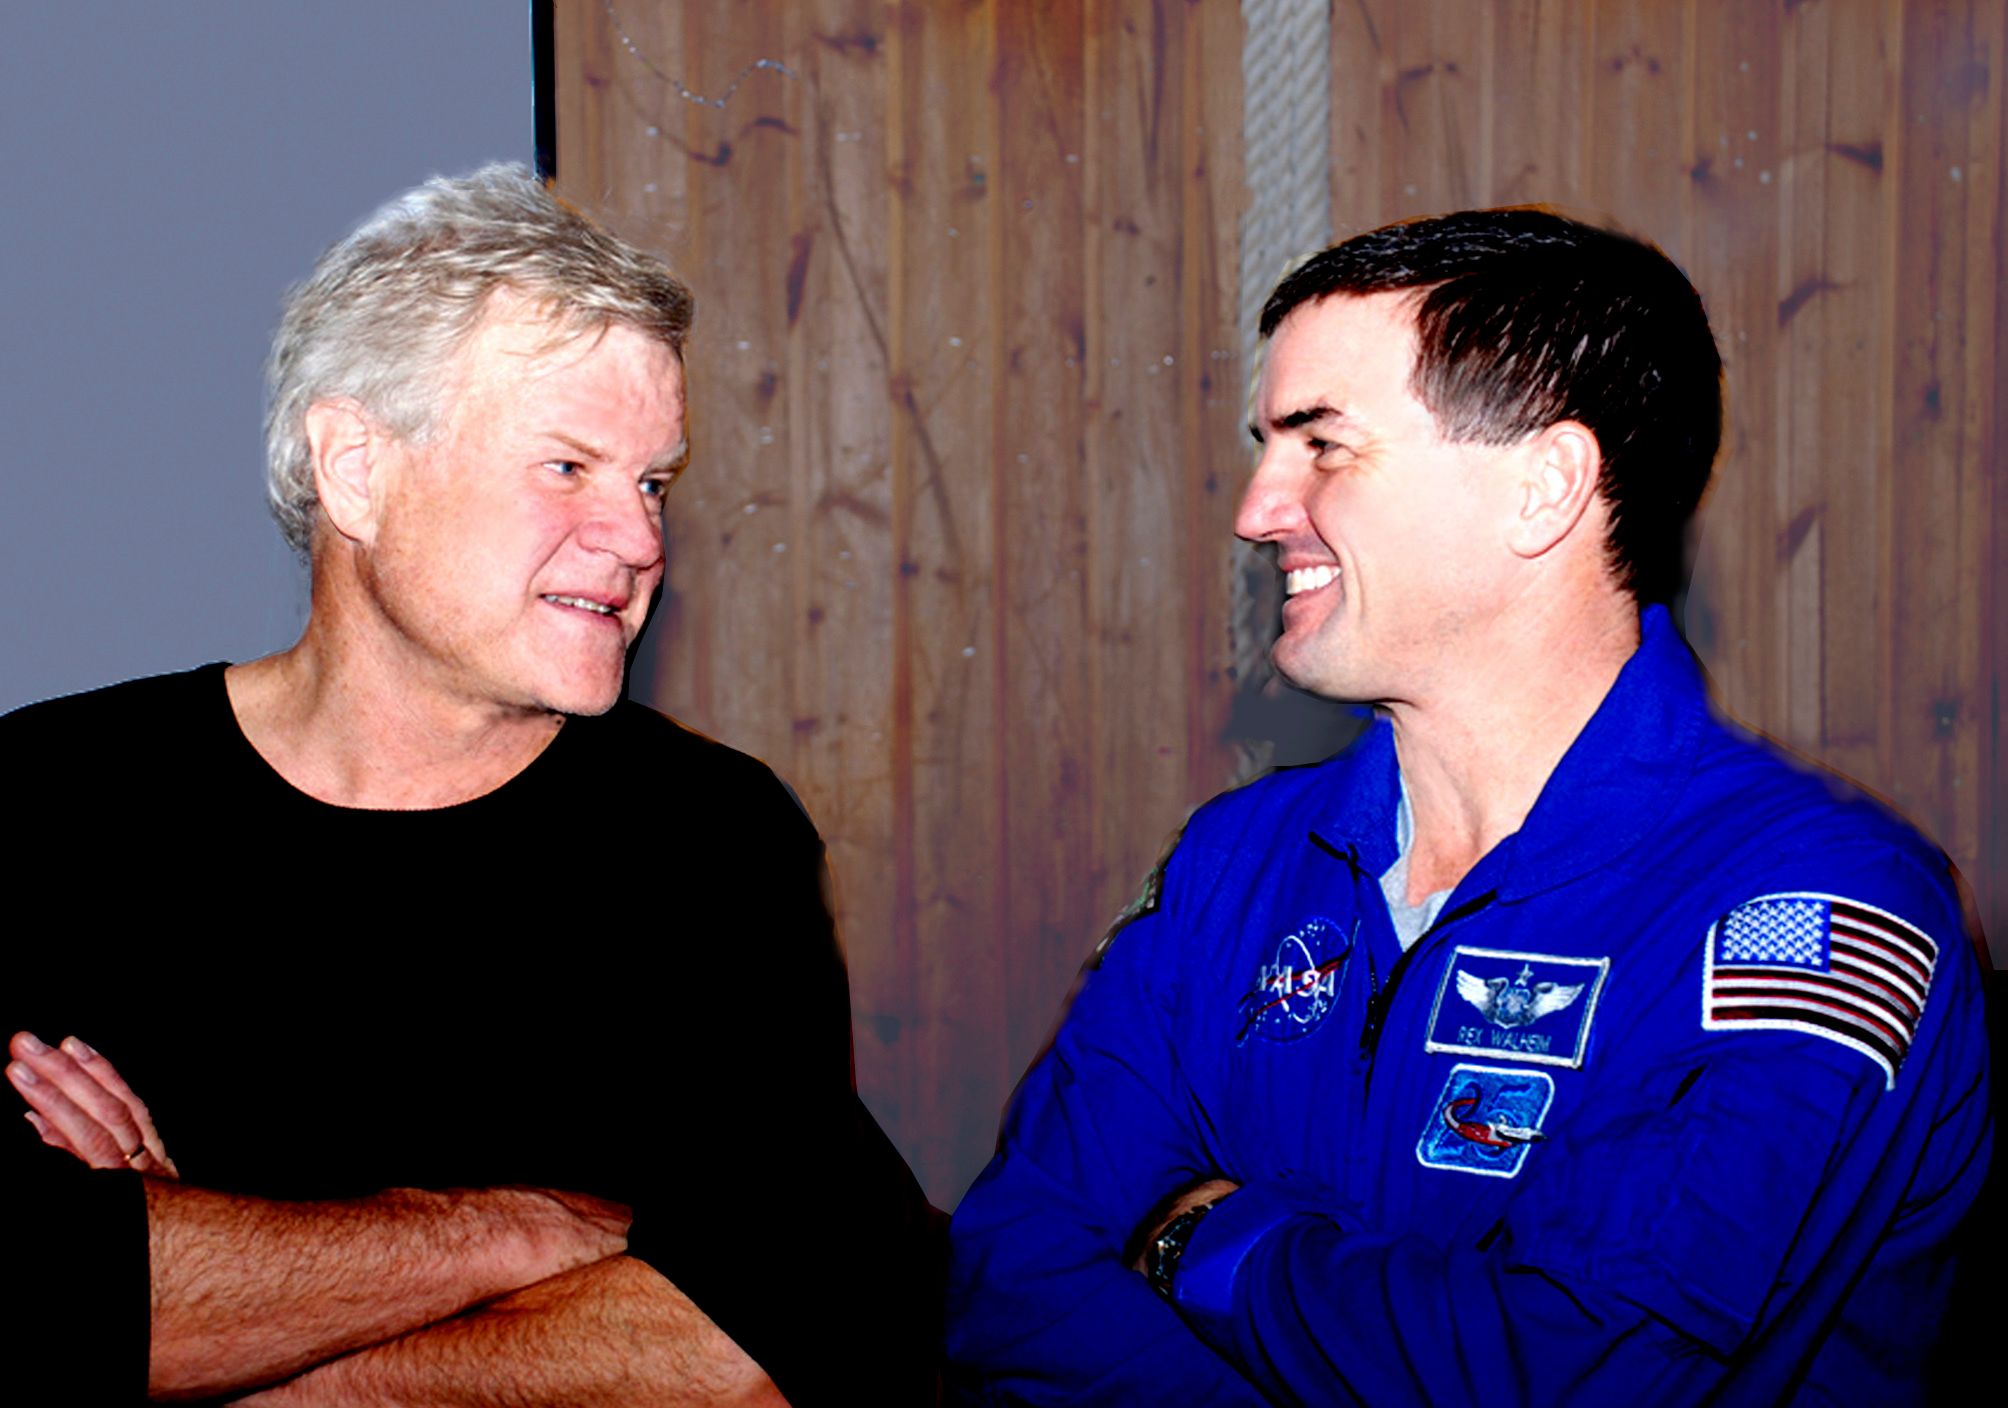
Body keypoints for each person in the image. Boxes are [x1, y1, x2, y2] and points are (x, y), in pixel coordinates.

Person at [944, 209, 1992, 1404]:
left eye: (1322, 445)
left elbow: (1573, 1366)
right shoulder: (1234, 861)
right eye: (1267, 446)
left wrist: (1196, 1237)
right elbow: (1011, 1277)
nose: (1257, 507)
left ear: (1541, 489)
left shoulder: (1810, 905)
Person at [2, 164, 937, 1406]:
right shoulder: (43, 800)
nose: (641, 540)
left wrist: (222, 1322)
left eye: (652, 480)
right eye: (568, 466)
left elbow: (769, 1333)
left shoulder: (711, 838)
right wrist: (513, 1233)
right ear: (356, 469)